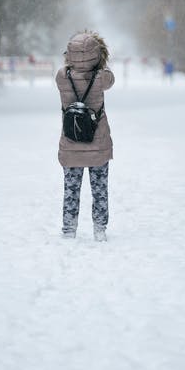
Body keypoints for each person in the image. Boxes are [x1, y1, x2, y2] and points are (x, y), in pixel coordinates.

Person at [56, 31, 115, 241]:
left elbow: (67, 68)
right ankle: (99, 229)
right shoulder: (102, 78)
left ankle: (69, 230)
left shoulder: (62, 76)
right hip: (98, 144)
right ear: (97, 55)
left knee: (71, 190)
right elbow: (110, 77)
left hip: (71, 143)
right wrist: (99, 60)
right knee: (100, 189)